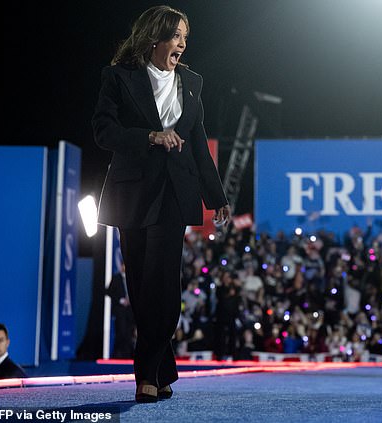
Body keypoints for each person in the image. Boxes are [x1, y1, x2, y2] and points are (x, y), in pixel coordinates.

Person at [92, 5, 230, 402]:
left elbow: (199, 141)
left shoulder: (192, 82)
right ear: (155, 37)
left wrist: (215, 195)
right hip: (132, 191)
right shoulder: (118, 77)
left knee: (165, 285)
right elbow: (104, 131)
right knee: (139, 285)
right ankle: (161, 368)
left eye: (186, 36)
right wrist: (149, 136)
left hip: (174, 192)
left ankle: (145, 375)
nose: (183, 44)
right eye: (177, 36)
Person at [105, 263, 136, 358]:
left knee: (129, 333)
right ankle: (118, 354)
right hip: (120, 311)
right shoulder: (116, 278)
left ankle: (128, 355)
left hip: (130, 311)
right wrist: (120, 300)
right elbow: (108, 291)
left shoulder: (133, 278)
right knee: (121, 332)